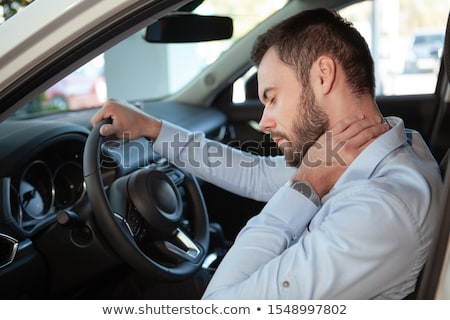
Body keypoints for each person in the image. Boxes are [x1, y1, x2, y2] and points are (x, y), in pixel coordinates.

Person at [91, 8, 443, 299]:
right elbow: (256, 172)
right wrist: (152, 129)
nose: (265, 121)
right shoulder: (384, 147)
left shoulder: (377, 212)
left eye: (272, 97)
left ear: (322, 76)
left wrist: (304, 186)